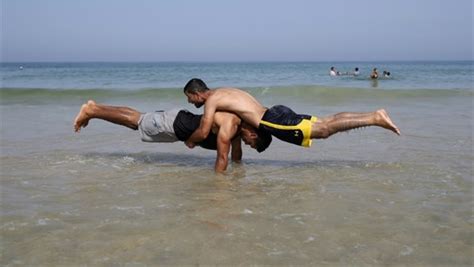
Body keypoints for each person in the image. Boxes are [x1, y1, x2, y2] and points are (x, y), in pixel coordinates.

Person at [183, 78, 401, 149]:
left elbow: (203, 131)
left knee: (324, 130)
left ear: (196, 93)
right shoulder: (225, 91)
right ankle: (374, 116)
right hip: (276, 111)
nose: (189, 102)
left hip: (272, 121)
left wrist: (189, 143)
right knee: (326, 123)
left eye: (189, 97)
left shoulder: (212, 100)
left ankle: (374, 118)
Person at [73, 100, 271, 173]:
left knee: (137, 121)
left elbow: (235, 156)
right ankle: (93, 110)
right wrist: (218, 189)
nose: (247, 144)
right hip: (177, 124)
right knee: (137, 121)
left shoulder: (237, 128)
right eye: (252, 143)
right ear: (253, 133)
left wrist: (239, 175)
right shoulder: (231, 126)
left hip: (179, 122)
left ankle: (95, 110)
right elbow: (222, 158)